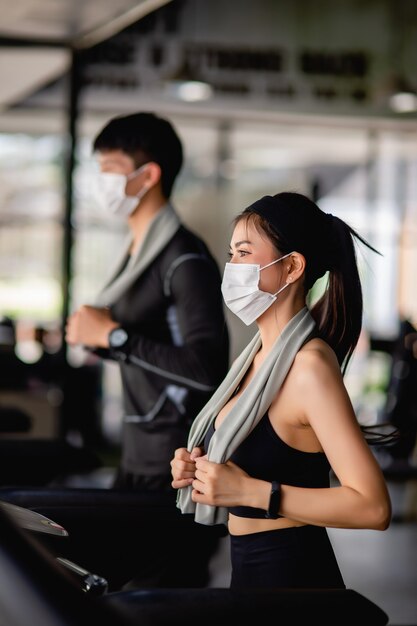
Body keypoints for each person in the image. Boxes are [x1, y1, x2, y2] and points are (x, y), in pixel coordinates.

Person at [171, 191, 392, 589]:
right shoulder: (256, 358)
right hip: (250, 572)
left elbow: (372, 506)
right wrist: (200, 468)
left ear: (291, 267)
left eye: (243, 253)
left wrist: (253, 492)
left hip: (293, 576)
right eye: (231, 253)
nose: (231, 266)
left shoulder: (309, 367)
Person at [66, 111, 229, 492]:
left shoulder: (184, 258)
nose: (101, 179)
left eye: (111, 167)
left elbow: (207, 369)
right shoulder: (136, 252)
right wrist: (101, 339)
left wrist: (115, 337)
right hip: (138, 452)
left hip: (176, 463)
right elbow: (145, 347)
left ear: (149, 175)